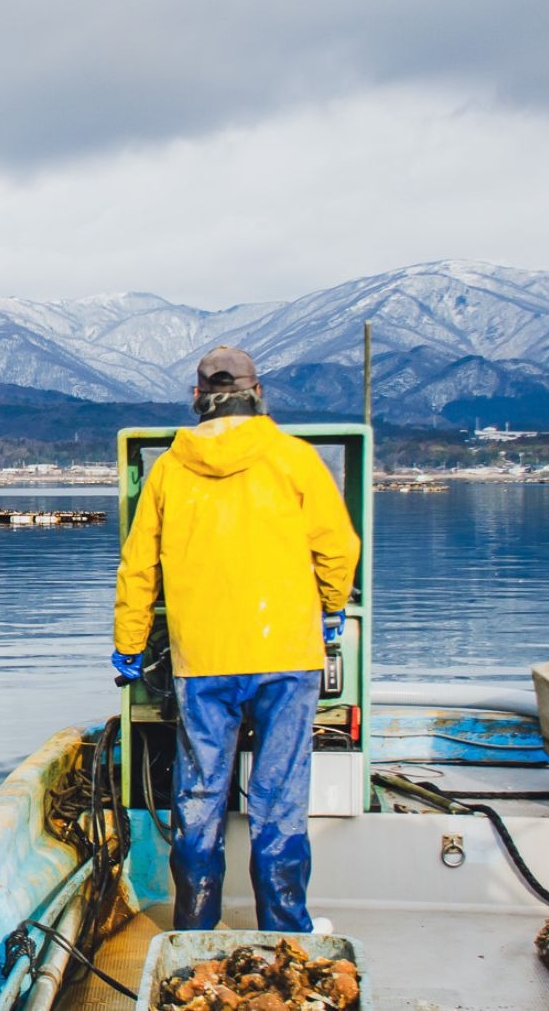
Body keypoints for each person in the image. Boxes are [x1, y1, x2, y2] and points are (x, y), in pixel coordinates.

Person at [111, 346, 360, 933]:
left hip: (202, 660)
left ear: (197, 398)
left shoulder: (169, 469)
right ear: (259, 392)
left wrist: (129, 643)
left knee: (199, 796)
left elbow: (139, 567)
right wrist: (329, 607)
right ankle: (286, 930)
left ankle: (194, 929)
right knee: (280, 797)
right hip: (287, 656)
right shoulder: (294, 459)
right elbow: (337, 548)